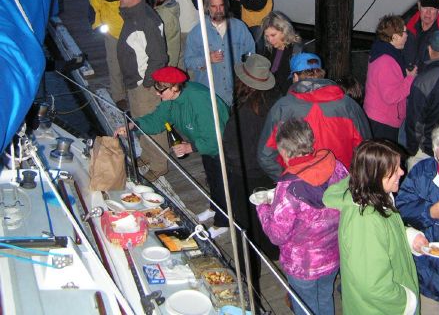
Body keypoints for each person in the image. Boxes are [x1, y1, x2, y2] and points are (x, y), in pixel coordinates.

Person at [114, 66, 230, 239]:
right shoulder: (170, 99)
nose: (157, 94)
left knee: (223, 183)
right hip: (206, 143)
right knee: (212, 178)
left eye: (161, 90)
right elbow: (157, 120)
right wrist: (132, 125)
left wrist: (190, 147)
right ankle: (215, 208)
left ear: (175, 87)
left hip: (225, 145)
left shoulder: (199, 100)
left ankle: (223, 223)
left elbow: (215, 136)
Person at [323, 140, 426, 315]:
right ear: (376, 175)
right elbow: (373, 286)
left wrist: (408, 235)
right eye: (394, 170)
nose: (402, 172)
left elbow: (385, 233)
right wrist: (407, 300)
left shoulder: (376, 197)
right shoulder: (365, 221)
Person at [257, 119, 347, 315]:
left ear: (285, 151)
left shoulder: (289, 187)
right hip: (333, 254)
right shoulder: (336, 167)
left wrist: (263, 208)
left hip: (302, 265)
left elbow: (276, 235)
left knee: (305, 307)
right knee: (325, 298)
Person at [258, 52, 371, 180]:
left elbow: (265, 156)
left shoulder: (282, 107)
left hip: (299, 186)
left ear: (295, 76)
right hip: (340, 186)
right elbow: (366, 149)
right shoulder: (349, 105)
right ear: (321, 74)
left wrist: (286, 179)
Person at [222, 54, 281, 284]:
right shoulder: (274, 102)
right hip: (268, 172)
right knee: (267, 214)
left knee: (245, 224)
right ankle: (272, 251)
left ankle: (247, 273)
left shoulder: (244, 112)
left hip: (244, 174)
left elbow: (232, 147)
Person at [113, 0, 169, 181]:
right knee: (140, 123)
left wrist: (146, 83)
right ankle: (147, 155)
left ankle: (159, 164)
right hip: (135, 83)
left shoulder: (145, 19)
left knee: (152, 125)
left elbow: (159, 56)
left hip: (144, 86)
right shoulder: (133, 15)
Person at [397, 125, 439, 314]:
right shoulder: (422, 172)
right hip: (425, 272)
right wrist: (429, 212)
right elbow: (401, 209)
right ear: (435, 155)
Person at [185, 0, 255, 106]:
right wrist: (206, 59)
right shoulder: (197, 32)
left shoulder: (239, 28)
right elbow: (188, 62)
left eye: (221, 5)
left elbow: (251, 56)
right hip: (209, 96)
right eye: (214, 6)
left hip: (235, 95)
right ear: (207, 7)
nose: (218, 10)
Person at [364, 15, 417, 143]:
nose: (407, 35)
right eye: (404, 32)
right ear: (394, 37)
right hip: (383, 121)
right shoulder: (386, 61)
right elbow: (391, 96)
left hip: (377, 116)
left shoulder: (384, 51)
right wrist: (410, 79)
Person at [89, 0, 128, 109]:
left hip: (130, 30)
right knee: (115, 65)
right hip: (113, 32)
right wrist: (99, 28)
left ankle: (132, 91)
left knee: (132, 64)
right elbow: (93, 8)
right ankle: (119, 97)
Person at [405, 30, 439, 165]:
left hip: (429, 151)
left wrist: (412, 150)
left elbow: (415, 122)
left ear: (430, 49)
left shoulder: (424, 81)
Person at [404, 0, 439, 71]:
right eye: (425, 7)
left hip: (427, 80)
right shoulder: (404, 24)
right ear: (419, 5)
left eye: (432, 9)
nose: (428, 13)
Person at [260, 11, 303, 95]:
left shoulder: (296, 51)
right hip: (268, 90)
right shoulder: (270, 46)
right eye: (267, 36)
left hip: (283, 95)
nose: (270, 40)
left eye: (273, 35)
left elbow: (295, 84)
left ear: (284, 31)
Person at [154, 0, 181, 67]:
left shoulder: (165, 14)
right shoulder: (165, 8)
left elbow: (161, 39)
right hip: (168, 57)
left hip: (166, 59)